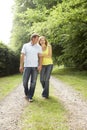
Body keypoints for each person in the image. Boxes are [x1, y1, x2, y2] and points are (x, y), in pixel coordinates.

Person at [19, 33, 42, 102]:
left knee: (33, 82)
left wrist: (40, 65)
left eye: (38, 39)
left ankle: (30, 96)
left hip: (35, 67)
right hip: (27, 66)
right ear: (32, 38)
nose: (38, 40)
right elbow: (22, 56)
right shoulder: (25, 45)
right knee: (24, 82)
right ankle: (27, 93)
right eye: (37, 39)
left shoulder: (38, 47)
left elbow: (40, 57)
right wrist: (21, 65)